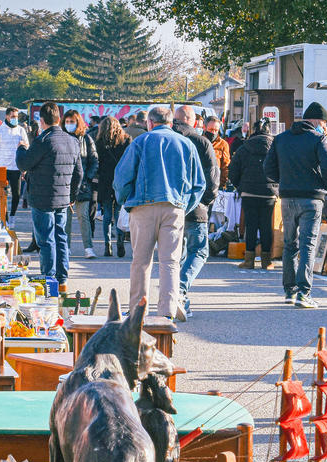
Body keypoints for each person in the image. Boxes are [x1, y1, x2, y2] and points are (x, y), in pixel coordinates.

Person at [113, 106, 205, 319]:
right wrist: (184, 206)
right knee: (170, 262)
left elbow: (122, 178)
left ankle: (138, 310)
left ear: (150, 123)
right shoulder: (186, 144)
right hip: (174, 207)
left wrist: (125, 201)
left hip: (143, 206)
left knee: (141, 261)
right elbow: (199, 184)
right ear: (171, 123)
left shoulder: (140, 142)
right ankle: (167, 311)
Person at [264, 101, 327, 308]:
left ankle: (289, 290)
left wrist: (283, 182)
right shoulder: (318, 138)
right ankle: (304, 293)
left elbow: (269, 168)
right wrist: (323, 185)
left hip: (287, 197)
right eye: (323, 122)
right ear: (316, 121)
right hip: (312, 199)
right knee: (307, 244)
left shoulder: (281, 138)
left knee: (290, 244)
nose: (324, 126)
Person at [16, 102, 83, 294]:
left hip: (42, 198)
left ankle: (49, 280)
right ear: (59, 119)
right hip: (63, 198)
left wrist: (21, 148)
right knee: (61, 238)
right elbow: (79, 172)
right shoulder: (72, 140)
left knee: (46, 241)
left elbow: (24, 162)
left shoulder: (44, 140)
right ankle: (62, 281)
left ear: (42, 121)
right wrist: (72, 195)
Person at [173, 105, 219, 321]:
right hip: (196, 205)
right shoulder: (202, 142)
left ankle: (179, 297)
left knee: (176, 255)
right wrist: (207, 201)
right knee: (199, 251)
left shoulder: (167, 138)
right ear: (193, 121)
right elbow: (212, 176)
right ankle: (179, 292)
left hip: (170, 204)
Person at [229, 118, 277, 270]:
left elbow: (233, 171)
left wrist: (240, 186)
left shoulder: (244, 147)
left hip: (248, 192)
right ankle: (266, 260)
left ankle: (249, 260)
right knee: (266, 226)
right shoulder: (275, 148)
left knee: (250, 226)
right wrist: (276, 187)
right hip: (269, 193)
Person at [62, 110, 99, 259]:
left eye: (72, 121)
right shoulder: (62, 138)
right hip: (65, 184)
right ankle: (66, 247)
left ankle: (88, 248)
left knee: (84, 217)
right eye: (67, 121)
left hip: (83, 185)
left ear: (78, 122)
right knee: (66, 219)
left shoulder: (86, 139)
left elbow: (94, 161)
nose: (69, 124)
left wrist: (87, 178)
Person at [95, 116, 132, 257]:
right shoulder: (126, 140)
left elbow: (97, 162)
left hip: (105, 180)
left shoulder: (99, 141)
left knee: (106, 214)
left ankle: (107, 244)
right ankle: (120, 242)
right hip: (120, 179)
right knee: (118, 212)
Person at [0, 106, 29, 217]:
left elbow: (27, 147)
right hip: (1, 168)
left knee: (16, 195)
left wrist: (24, 167)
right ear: (7, 116)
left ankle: (12, 216)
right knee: (1, 194)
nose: (15, 119)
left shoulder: (21, 130)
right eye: (12, 116)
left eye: (16, 117)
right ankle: (3, 215)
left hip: (16, 167)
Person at [204, 116, 231, 189]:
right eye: (211, 129)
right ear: (205, 128)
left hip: (215, 185)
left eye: (216, 130)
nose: (213, 132)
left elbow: (225, 166)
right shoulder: (200, 141)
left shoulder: (223, 144)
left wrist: (222, 184)